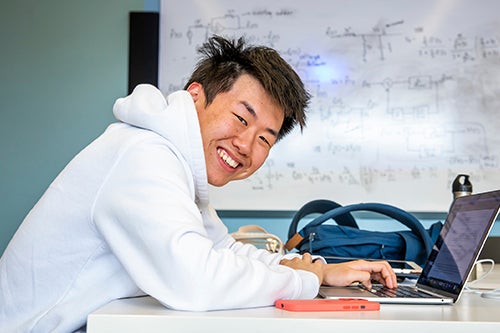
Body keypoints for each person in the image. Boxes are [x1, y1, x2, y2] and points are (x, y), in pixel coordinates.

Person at [0, 35, 396, 333]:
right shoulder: (144, 154)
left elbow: (220, 250)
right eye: (242, 118)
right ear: (196, 97)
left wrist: (321, 271)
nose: (245, 145)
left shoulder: (176, 162)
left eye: (265, 138)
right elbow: (196, 279)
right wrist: (302, 280)